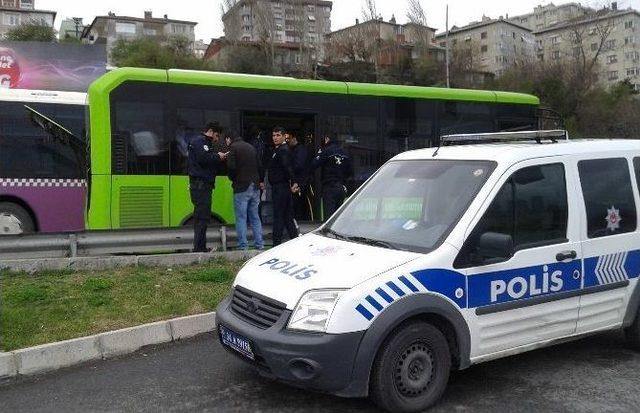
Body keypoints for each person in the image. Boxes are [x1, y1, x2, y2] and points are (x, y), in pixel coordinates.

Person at [188, 122, 227, 252]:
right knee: (202, 218)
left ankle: (200, 247)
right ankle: (199, 248)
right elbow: (203, 158)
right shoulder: (200, 141)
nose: (217, 139)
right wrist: (218, 156)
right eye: (216, 135)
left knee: (202, 217)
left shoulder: (203, 142)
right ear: (210, 131)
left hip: (202, 186)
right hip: (201, 186)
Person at [226, 131, 264, 251]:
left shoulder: (233, 148)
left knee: (241, 217)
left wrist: (232, 178)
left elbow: (231, 167)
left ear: (229, 139)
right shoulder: (251, 147)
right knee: (255, 216)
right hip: (255, 186)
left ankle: (243, 246)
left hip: (241, 187)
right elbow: (260, 166)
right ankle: (259, 244)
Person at [268, 126, 299, 246]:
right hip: (281, 187)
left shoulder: (283, 150)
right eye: (273, 135)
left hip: (281, 187)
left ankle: (276, 245)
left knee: (279, 216)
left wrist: (294, 181)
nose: (275, 138)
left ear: (284, 136)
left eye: (278, 135)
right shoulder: (278, 149)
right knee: (286, 217)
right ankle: (295, 242)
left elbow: (288, 168)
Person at [311, 134, 353, 220]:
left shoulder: (326, 151)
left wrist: (319, 152)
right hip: (341, 187)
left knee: (329, 217)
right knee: (337, 218)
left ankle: (328, 233)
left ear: (327, 139)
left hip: (329, 187)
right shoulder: (344, 152)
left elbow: (314, 164)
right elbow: (350, 172)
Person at [287, 129, 311, 221]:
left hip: (299, 182)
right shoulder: (295, 149)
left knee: (298, 206)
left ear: (294, 138)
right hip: (297, 182)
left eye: (289, 138)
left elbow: (298, 166)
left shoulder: (300, 150)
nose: (288, 141)